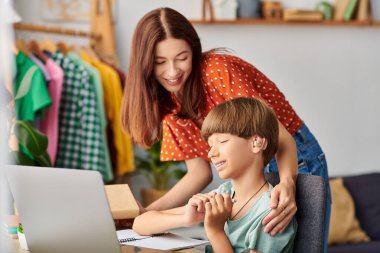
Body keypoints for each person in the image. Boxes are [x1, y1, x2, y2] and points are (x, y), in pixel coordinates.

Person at [121, 7, 330, 248]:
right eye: (160, 62)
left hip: (292, 156)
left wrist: (287, 183)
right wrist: (146, 211)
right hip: (251, 172)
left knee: (303, 244)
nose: (172, 71)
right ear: (145, 63)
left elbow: (280, 139)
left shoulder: (216, 71)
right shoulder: (170, 102)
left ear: (194, 50)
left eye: (182, 58)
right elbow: (199, 173)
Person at [133, 97, 297, 253]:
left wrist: (215, 231)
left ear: (256, 143)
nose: (211, 153)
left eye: (222, 141)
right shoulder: (224, 193)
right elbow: (140, 223)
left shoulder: (272, 213)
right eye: (210, 145)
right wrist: (187, 218)